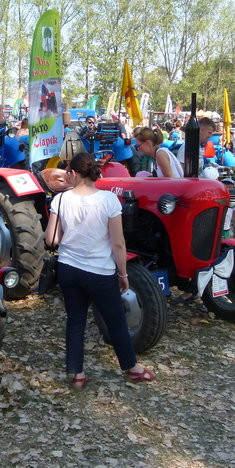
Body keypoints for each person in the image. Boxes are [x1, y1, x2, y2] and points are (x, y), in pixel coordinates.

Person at [44, 152, 155, 389]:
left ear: (73, 174)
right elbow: (118, 243)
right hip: (99, 271)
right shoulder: (109, 201)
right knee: (115, 320)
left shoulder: (60, 200)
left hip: (68, 268)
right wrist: (123, 274)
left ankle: (77, 374)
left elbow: (51, 239)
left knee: (75, 321)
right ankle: (130, 367)